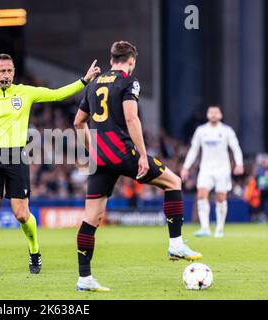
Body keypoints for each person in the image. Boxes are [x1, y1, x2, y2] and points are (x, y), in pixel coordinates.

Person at [0, 53, 100, 277]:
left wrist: (84, 81)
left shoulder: (26, 92)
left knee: (21, 214)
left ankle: (34, 251)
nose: (6, 75)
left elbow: (57, 95)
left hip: (16, 157)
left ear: (13, 72)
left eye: (9, 70)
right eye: (2, 71)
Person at [73, 41, 202, 292]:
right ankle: (175, 243)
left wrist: (91, 149)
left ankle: (84, 278)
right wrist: (143, 154)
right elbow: (131, 117)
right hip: (123, 152)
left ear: (111, 59)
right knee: (173, 182)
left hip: (100, 158)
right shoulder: (129, 82)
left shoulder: (92, 84)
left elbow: (78, 122)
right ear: (131, 61)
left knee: (92, 218)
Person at [181, 106, 244, 238]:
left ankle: (220, 229)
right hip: (206, 169)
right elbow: (193, 149)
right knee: (201, 194)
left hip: (222, 169)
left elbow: (236, 147)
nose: (214, 115)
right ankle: (205, 228)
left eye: (216, 112)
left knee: (221, 198)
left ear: (220, 115)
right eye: (211, 112)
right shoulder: (201, 130)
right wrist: (186, 167)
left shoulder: (226, 131)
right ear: (208, 114)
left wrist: (239, 164)